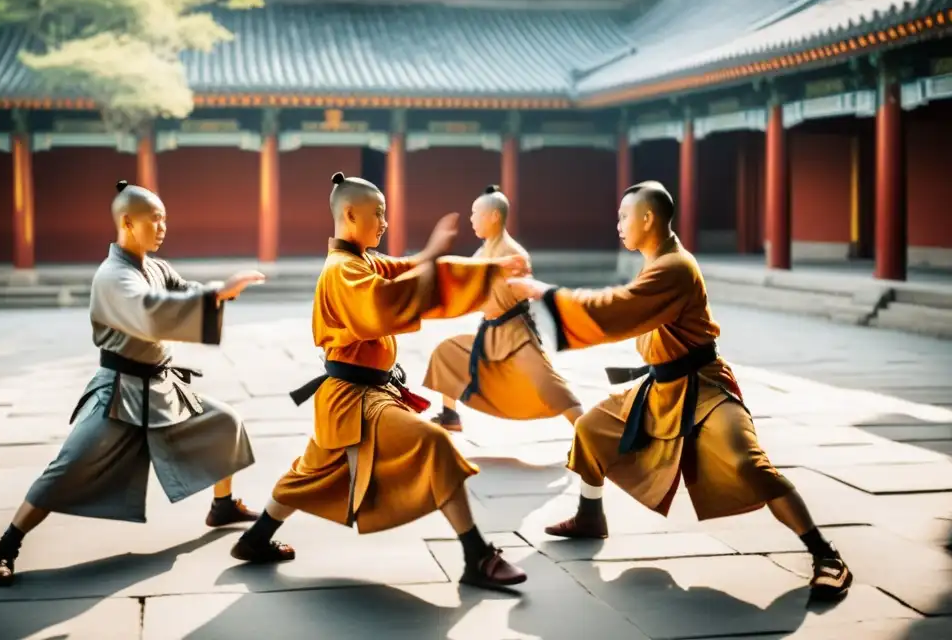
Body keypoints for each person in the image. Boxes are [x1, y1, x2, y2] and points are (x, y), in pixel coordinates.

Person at [505, 181, 854, 602]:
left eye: (623, 216)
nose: (617, 224)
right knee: (592, 428)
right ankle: (590, 515)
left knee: (749, 465)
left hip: (703, 387)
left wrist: (541, 292)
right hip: (662, 388)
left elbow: (614, 308)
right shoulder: (658, 260)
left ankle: (826, 555)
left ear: (648, 218)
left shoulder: (674, 267)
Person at [229, 173, 530, 590]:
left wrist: (489, 271)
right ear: (351, 214)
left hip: (355, 394)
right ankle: (476, 555)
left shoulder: (362, 261)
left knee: (310, 472)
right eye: (379, 214)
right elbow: (383, 302)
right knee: (435, 443)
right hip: (354, 398)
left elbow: (414, 271)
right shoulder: (343, 270)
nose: (385, 222)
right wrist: (441, 262)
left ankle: (255, 538)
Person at [0, 181, 265, 587]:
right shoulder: (113, 276)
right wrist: (217, 293)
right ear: (128, 222)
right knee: (67, 467)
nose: (163, 226)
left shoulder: (154, 265)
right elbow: (151, 311)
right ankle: (6, 546)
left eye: (165, 218)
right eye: (156, 219)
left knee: (225, 423)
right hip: (120, 391)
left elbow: (181, 291)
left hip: (162, 387)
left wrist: (216, 295)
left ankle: (222, 505)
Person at [423, 184, 582, 431]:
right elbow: (467, 280)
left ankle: (587, 429)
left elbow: (521, 286)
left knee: (548, 384)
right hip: (489, 335)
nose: (471, 219)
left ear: (494, 216)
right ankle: (450, 415)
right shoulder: (483, 252)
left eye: (476, 213)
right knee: (448, 352)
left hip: (516, 333)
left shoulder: (516, 255)